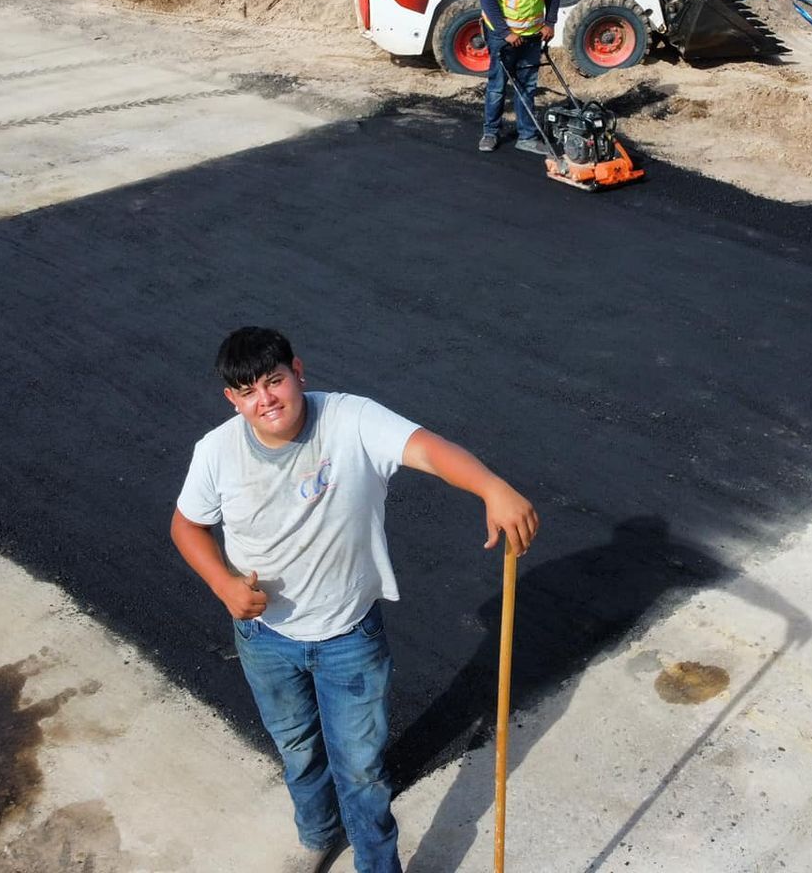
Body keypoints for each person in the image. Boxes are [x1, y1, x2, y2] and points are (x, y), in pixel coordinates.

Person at [169, 327, 540, 873]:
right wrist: (225, 586)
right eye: (248, 392)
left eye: (275, 381)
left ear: (299, 370)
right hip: (265, 637)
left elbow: (432, 451)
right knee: (296, 747)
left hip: (349, 637)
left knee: (361, 769)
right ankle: (318, 833)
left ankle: (376, 866)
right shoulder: (216, 452)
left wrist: (491, 486)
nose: (265, 399)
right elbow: (186, 526)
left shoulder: (352, 419)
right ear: (232, 399)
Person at [477, 0, 558, 153]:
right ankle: (490, 132)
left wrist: (550, 21)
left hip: (533, 33)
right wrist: (505, 33)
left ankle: (527, 137)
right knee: (497, 86)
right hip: (503, 35)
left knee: (528, 86)